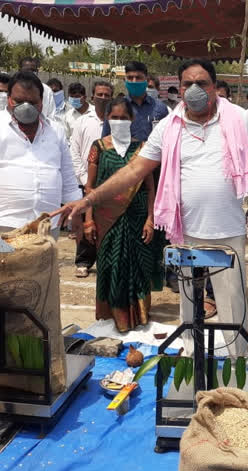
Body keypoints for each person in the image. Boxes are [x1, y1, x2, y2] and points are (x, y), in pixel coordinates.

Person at [55, 58, 248, 357]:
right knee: (190, 304)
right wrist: (89, 199)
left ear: (215, 87)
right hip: (186, 231)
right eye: (188, 84)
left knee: (232, 303)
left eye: (202, 83)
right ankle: (192, 359)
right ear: (179, 89)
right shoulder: (169, 126)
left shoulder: (239, 119)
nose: (194, 90)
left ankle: (237, 362)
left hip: (227, 230)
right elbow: (133, 171)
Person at [0, 71, 81, 239]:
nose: (26, 107)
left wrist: (75, 211)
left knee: (46, 266)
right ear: (9, 99)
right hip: (4, 226)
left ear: (42, 102)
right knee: (2, 265)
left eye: (32, 102)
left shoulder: (56, 130)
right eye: (19, 101)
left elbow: (68, 175)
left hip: (47, 226)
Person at [82, 96, 162, 332]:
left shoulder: (142, 149)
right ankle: (112, 318)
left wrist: (150, 218)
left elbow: (150, 187)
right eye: (114, 118)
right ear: (107, 119)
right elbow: (90, 187)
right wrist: (88, 220)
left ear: (132, 119)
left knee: (138, 267)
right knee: (110, 267)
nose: (118, 121)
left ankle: (139, 316)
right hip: (106, 218)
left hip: (137, 217)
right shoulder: (98, 147)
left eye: (123, 118)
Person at [70, 81, 114, 278]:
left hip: (111, 182)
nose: (103, 98)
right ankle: (84, 261)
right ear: (92, 96)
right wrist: (85, 178)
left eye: (107, 95)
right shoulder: (82, 122)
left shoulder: (117, 121)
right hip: (87, 180)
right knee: (86, 222)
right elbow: (75, 151)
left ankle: (108, 261)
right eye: (100, 94)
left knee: (108, 221)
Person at [102, 61, 168, 141]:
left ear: (147, 80)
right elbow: (105, 141)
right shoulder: (114, 108)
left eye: (138, 78)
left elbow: (167, 139)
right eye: (130, 78)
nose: (134, 81)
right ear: (125, 80)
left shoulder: (160, 108)